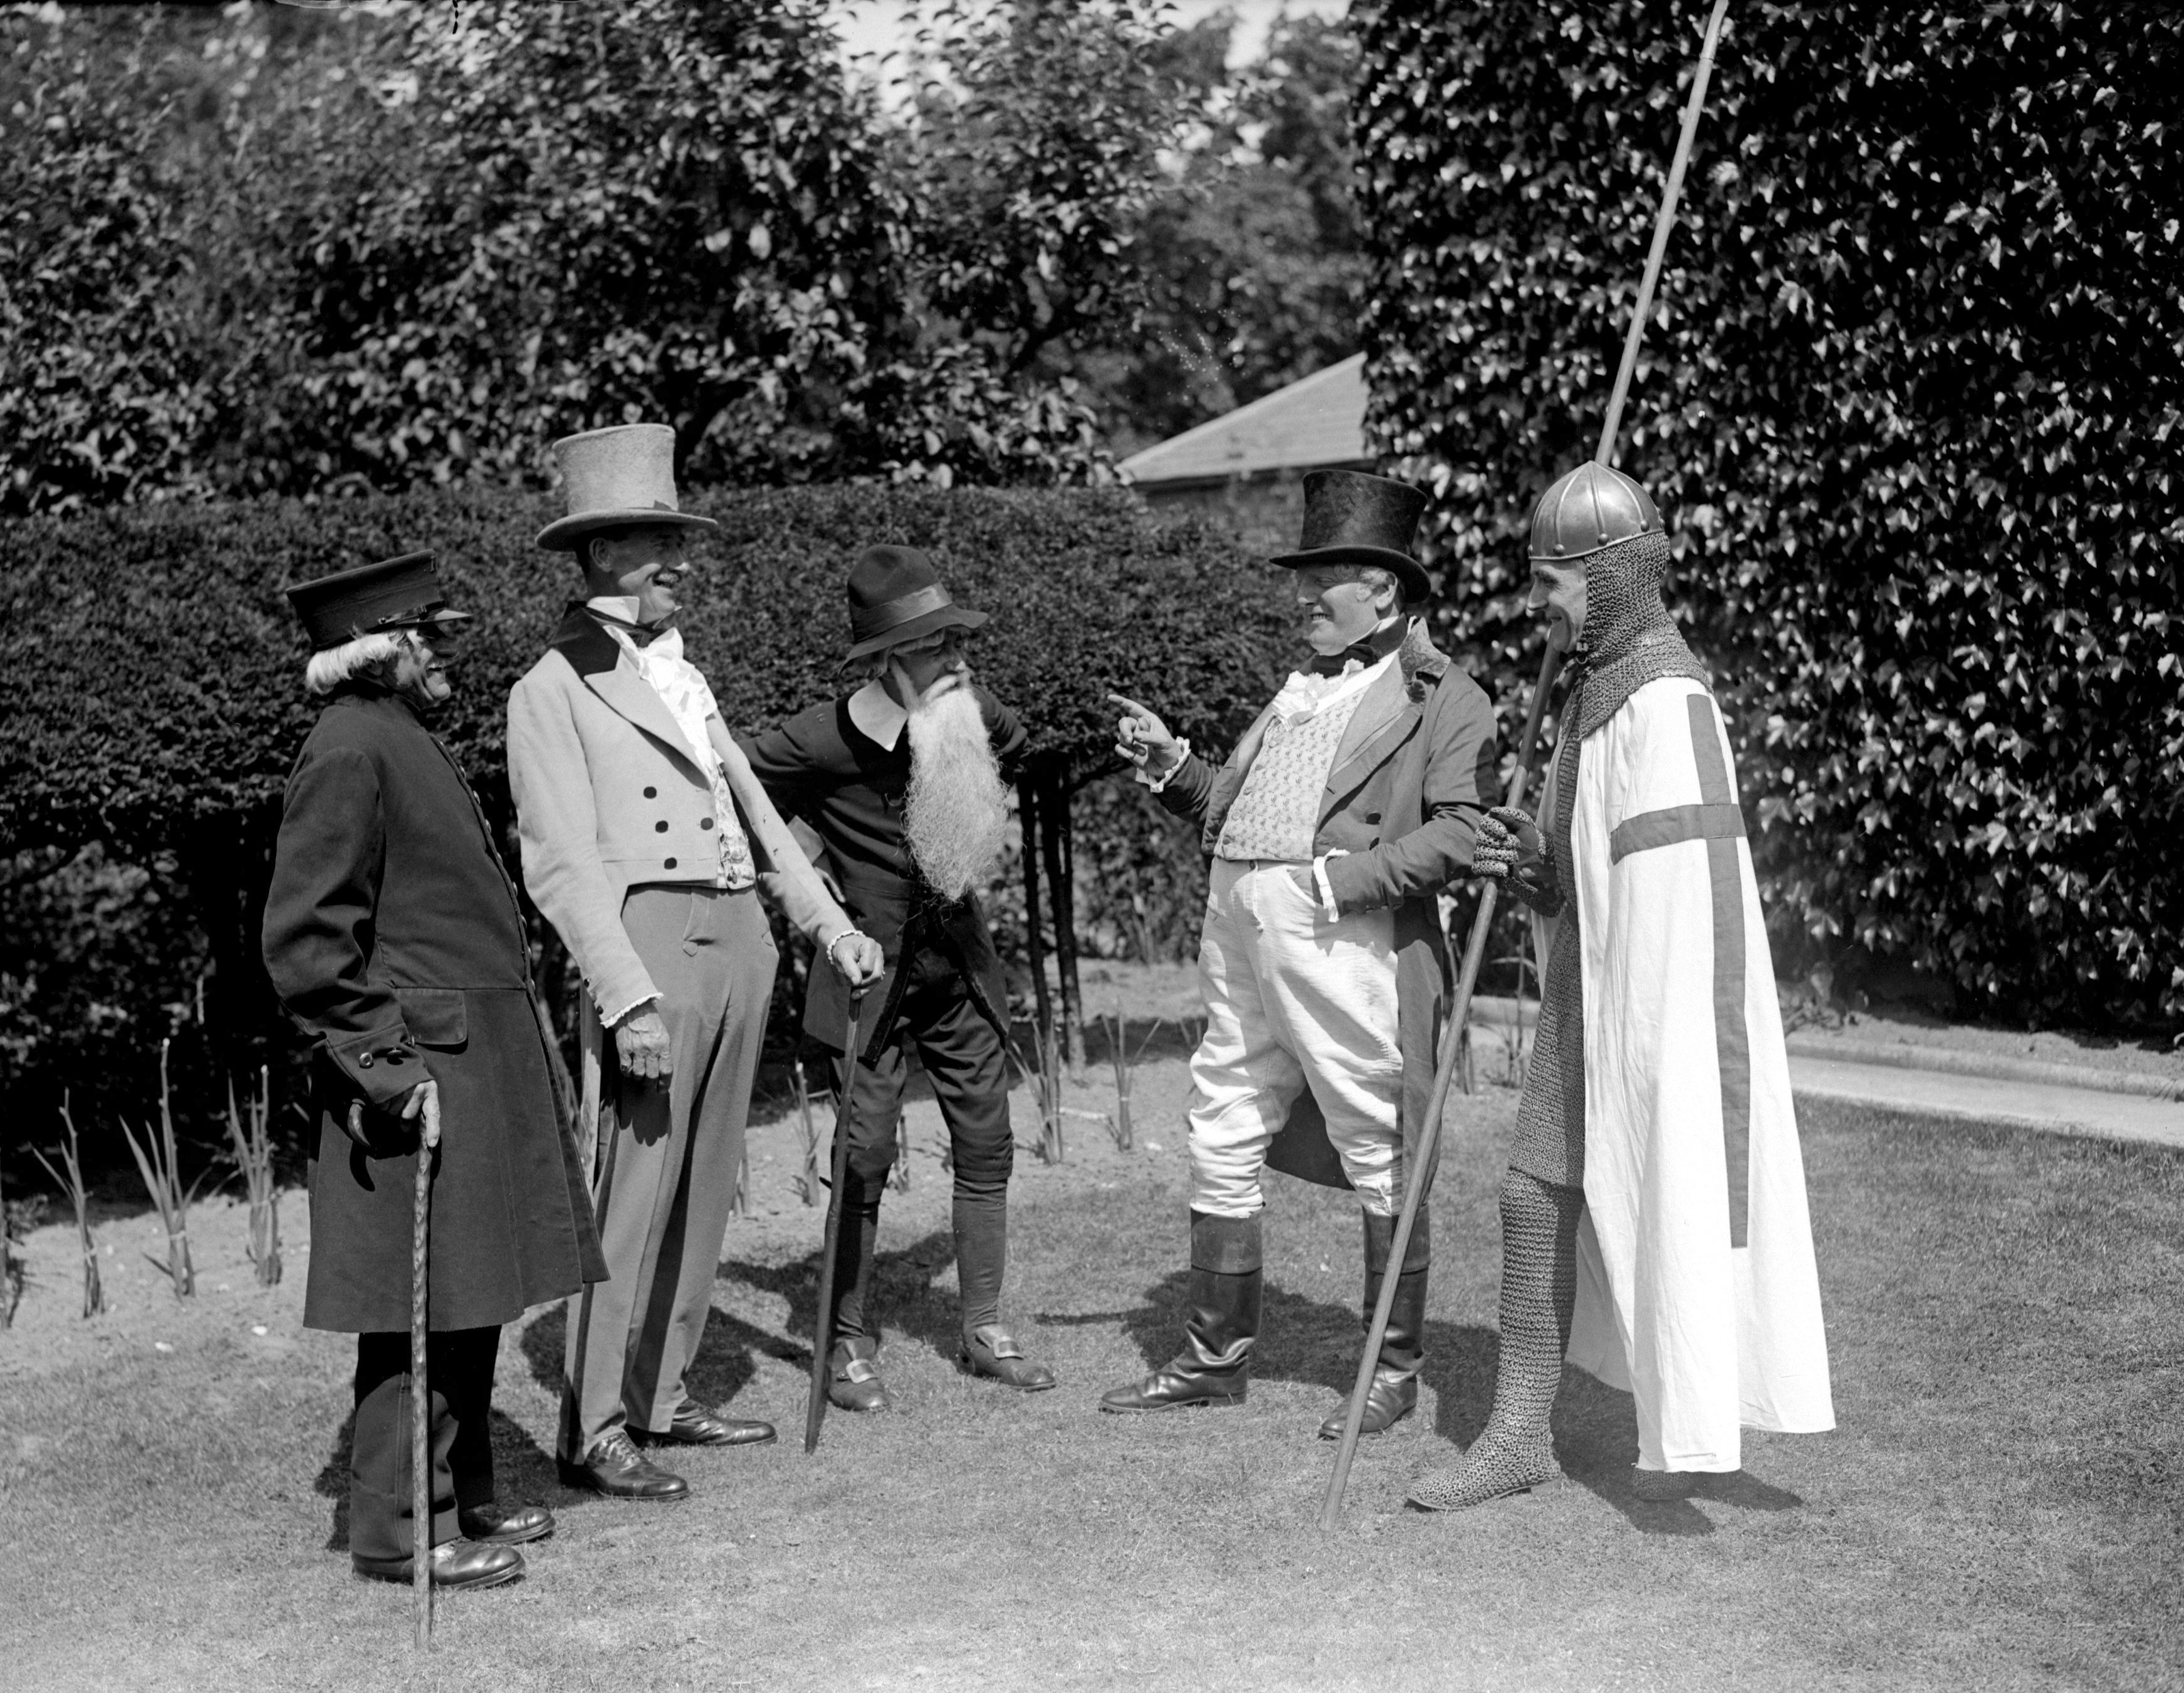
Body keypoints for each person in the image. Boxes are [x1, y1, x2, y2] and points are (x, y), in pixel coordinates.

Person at [1407, 461, 1834, 1512]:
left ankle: (1543, 1434)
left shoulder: (1667, 703)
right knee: (1530, 1199)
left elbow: (1682, 904)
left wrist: (1636, 1030)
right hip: (1588, 997)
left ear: (1611, 576)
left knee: (1570, 1197)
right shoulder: (1599, 697)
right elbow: (1593, 870)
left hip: (1639, 1011)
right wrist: (1541, 868)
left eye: (1552, 582)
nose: (1538, 605)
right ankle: (1518, 1438)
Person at [509, 425, 884, 1500]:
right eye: (648, 540)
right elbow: (561, 864)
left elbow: (762, 819)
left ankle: (662, 1397)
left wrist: (828, 923)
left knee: (708, 1182)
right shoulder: (553, 687)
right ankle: (592, 1427)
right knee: (631, 1192)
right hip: (651, 948)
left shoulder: (687, 676)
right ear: (594, 559)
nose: (677, 560)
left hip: (738, 938)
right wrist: (623, 996)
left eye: (677, 539)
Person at [1099, 470, 1498, 1438]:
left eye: (1329, 577)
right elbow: (1240, 817)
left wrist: (1334, 885)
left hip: (1343, 944)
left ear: (1387, 594)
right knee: (1222, 1124)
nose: (1305, 596)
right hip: (1238, 936)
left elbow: (1464, 836)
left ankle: (1389, 1372)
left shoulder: (1445, 697)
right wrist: (1174, 766)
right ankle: (1212, 1357)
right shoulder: (1295, 696)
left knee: (1377, 1145)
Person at [263, 549, 606, 1591]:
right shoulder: (349, 750)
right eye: (434, 639)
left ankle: (462, 1495)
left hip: (471, 1059)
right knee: (415, 1317)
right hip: (418, 1074)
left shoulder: (396, 735)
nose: (450, 653)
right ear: (385, 653)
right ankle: (402, 1530)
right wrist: (386, 1065)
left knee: (472, 1292)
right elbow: (306, 944)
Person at [741, 544, 1054, 1411]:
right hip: (866, 981)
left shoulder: (967, 707)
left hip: (960, 970)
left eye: (958, 642)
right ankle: (845, 1344)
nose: (956, 661)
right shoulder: (819, 738)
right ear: (885, 662)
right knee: (863, 1154)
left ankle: (985, 1329)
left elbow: (1019, 744)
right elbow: (740, 787)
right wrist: (802, 869)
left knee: (988, 1140)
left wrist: (967, 740)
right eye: (933, 648)